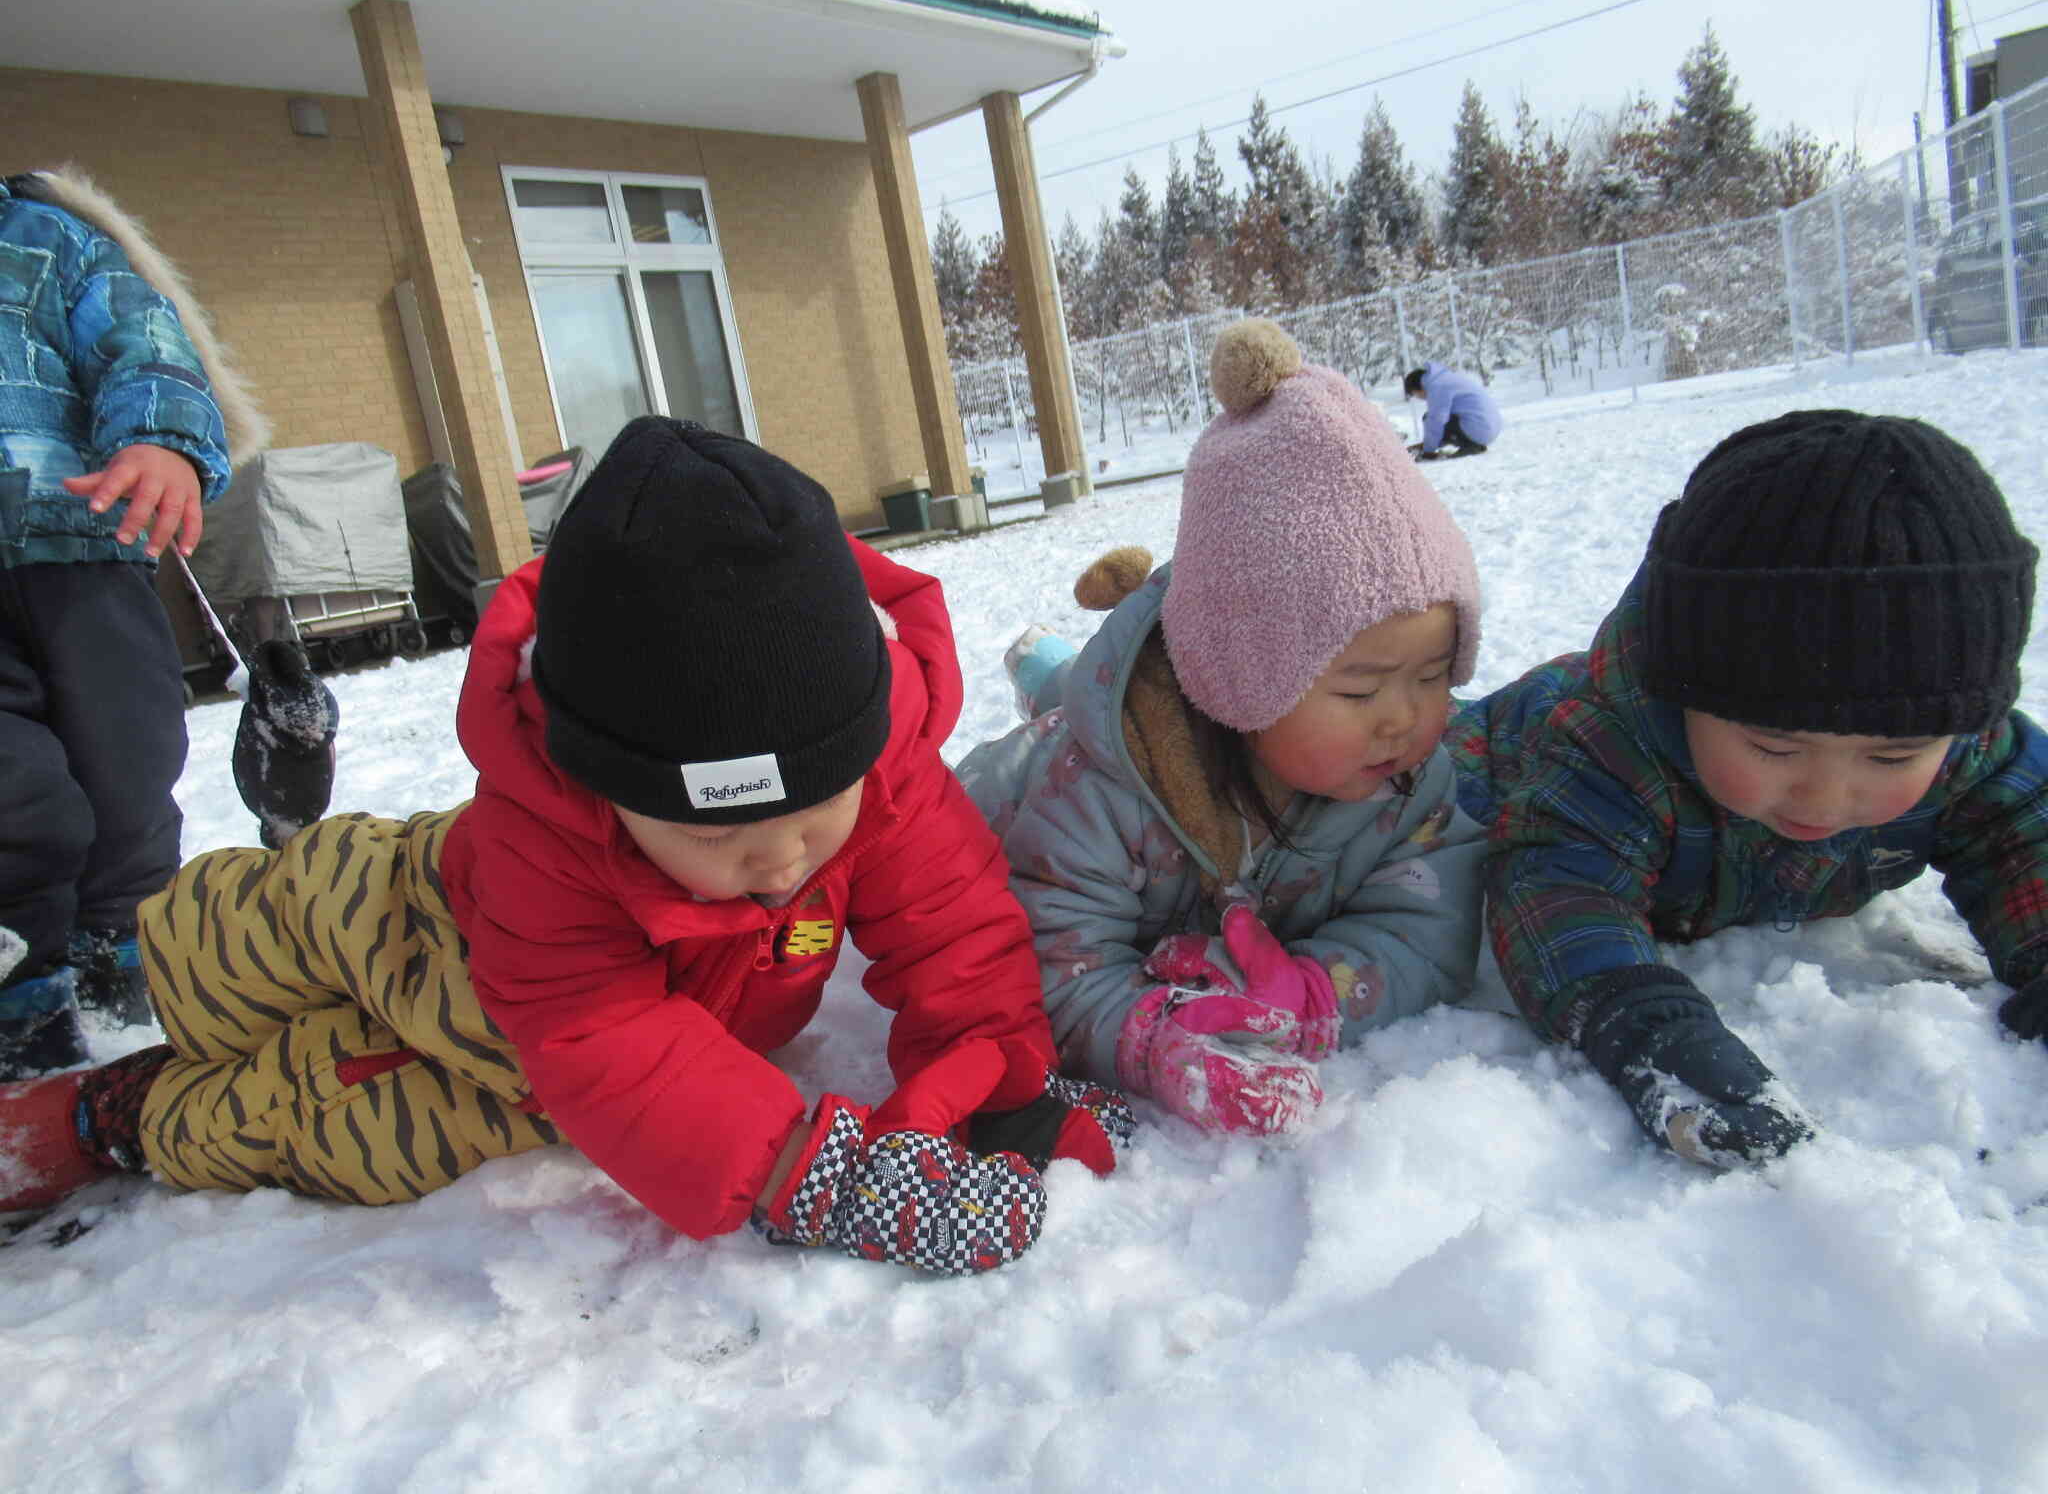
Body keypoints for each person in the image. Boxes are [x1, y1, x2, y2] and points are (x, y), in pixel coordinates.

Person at [0, 418, 1131, 1276]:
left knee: (354, 1116)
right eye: (724, 834)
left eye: (814, 812)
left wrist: (995, 1080)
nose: (785, 861)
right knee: (263, 922)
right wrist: (816, 1171)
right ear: (607, 789)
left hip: (519, 1057)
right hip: (444, 912)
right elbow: (596, 1009)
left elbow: (953, 934)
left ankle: (126, 1114)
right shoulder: (554, 827)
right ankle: (176, 958)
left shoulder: (864, 753)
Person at [1450, 409, 2048, 1169]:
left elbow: (2027, 828)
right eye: (1774, 746)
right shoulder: (1605, 745)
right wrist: (1641, 1020)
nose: (1825, 800)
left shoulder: (1955, 734)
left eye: (1892, 757)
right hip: (1501, 750)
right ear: (1683, 689)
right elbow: (1557, 885)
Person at [959, 320, 1488, 1138]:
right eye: (1361, 688)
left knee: (1084, 685)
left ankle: (1060, 668)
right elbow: (1053, 961)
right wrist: (1151, 1038)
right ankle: (1047, 670)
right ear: (1241, 681)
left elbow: (1433, 919)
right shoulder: (1103, 793)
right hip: (1029, 775)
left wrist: (1319, 988)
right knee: (1055, 724)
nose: (1405, 716)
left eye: (1432, 675)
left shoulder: (1406, 778)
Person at [0, 167, 267, 1077]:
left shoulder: (41, 237)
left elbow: (141, 337)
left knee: (131, 762)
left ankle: (123, 940)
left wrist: (160, 438)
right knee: (16, 797)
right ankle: (21, 982)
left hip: (85, 551)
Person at [1402, 362, 1501, 460]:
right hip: (1489, 428)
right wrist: (1426, 445)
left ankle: (1471, 445)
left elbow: (1436, 421)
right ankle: (1471, 443)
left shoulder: (1437, 386)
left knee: (1430, 418)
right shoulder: (1444, 378)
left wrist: (1428, 451)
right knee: (1440, 421)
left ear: (1418, 389)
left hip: (1479, 428)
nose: (1421, 398)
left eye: (1415, 395)